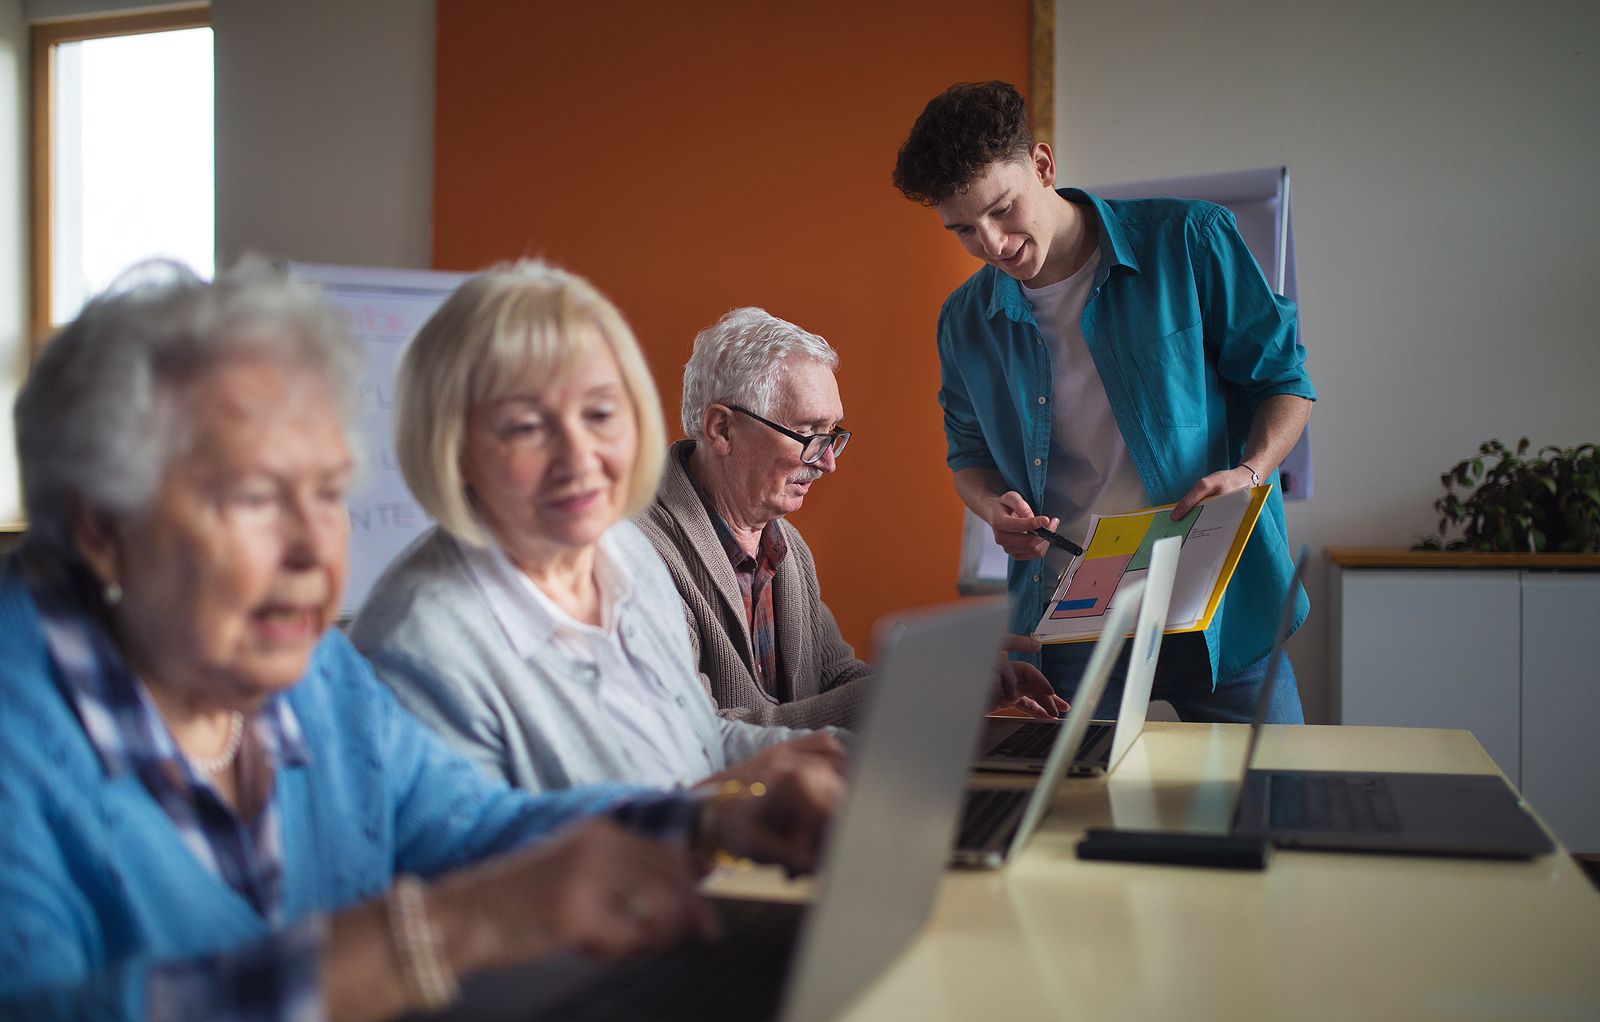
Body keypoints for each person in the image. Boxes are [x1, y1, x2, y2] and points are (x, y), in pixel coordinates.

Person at [0, 261, 833, 1022]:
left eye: (327, 494)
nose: (312, 550)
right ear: (103, 527)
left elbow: (470, 825)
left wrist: (714, 820)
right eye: (254, 497)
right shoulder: (22, 738)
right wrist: (426, 939)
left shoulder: (316, 680)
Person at [892, 81, 1316, 724]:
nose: (993, 245)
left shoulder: (1190, 239)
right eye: (963, 231)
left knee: (1268, 799)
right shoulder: (964, 321)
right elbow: (969, 457)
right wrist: (991, 509)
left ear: (1042, 165)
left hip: (1217, 596)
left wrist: (1249, 472)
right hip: (1075, 606)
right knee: (1077, 810)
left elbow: (1284, 382)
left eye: (1003, 210)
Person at [349, 263, 847, 794]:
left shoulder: (623, 555)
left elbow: (697, 742)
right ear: (454, 449)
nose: (579, 457)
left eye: (601, 413)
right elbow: (488, 860)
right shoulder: (420, 640)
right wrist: (704, 819)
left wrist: (840, 758)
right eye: (526, 427)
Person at [637, 306, 1067, 730]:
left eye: (832, 436)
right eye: (808, 435)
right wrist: (907, 690)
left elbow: (837, 679)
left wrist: (948, 685)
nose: (828, 463)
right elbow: (692, 739)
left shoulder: (785, 546)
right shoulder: (635, 558)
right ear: (722, 430)